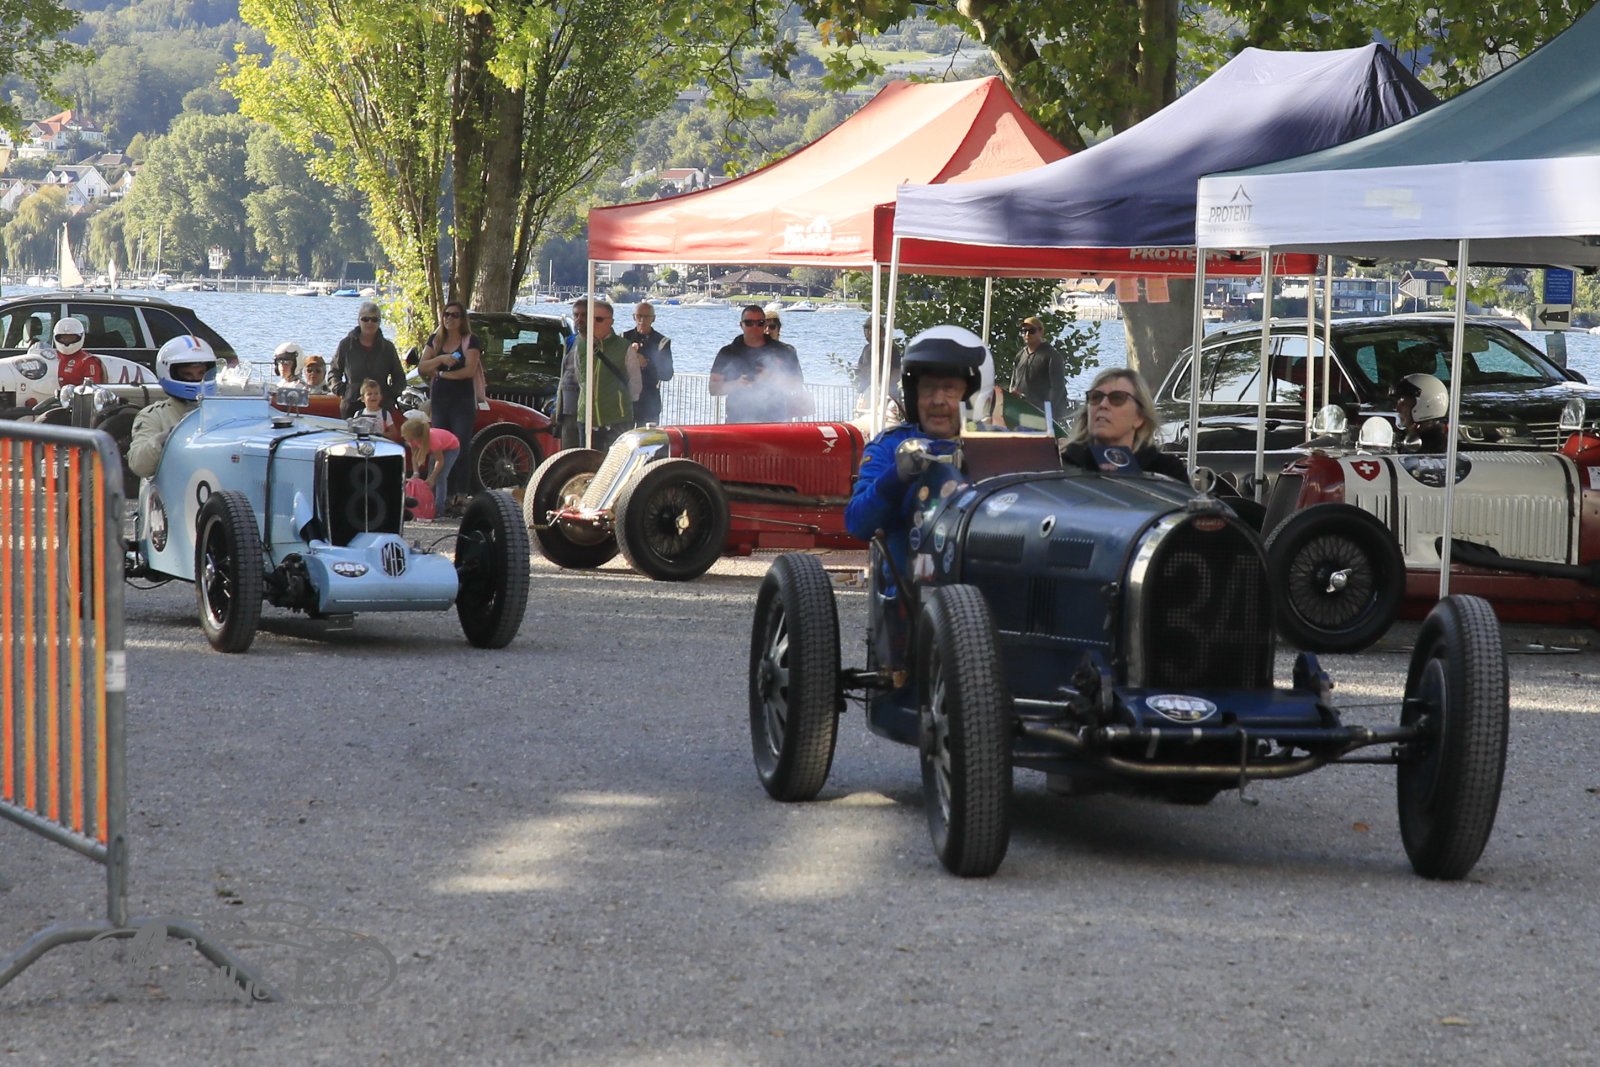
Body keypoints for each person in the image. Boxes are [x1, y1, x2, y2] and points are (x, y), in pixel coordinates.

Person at [847, 325, 985, 580]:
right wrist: (898, 475)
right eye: (928, 388)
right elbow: (858, 523)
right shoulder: (890, 446)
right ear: (914, 396)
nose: (938, 400)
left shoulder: (994, 442)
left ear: (968, 396)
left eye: (949, 388)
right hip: (909, 592)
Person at [1059, 367, 1187, 480]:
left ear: (1139, 418)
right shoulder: (1063, 466)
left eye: (1117, 398)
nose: (1103, 405)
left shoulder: (1168, 471)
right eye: (1096, 397)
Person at [416, 300, 482, 508]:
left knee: (459, 446)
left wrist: (442, 374)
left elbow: (469, 371)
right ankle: (438, 494)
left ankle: (460, 493)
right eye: (446, 314)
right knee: (438, 445)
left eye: (455, 315)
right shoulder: (435, 340)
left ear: (462, 319)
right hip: (440, 401)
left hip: (462, 401)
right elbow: (422, 367)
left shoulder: (470, 341)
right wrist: (441, 359)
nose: (449, 319)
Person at [127, 336, 217, 479]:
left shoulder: (220, 412)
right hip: (169, 487)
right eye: (188, 374)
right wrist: (169, 436)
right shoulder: (153, 415)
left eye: (201, 373)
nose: (196, 379)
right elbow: (139, 465)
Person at [561, 297, 639, 451]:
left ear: (611, 322)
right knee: (588, 460)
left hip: (617, 418)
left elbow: (635, 383)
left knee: (615, 461)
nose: (593, 323)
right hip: (586, 417)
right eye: (591, 319)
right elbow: (580, 377)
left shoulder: (624, 346)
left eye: (599, 319)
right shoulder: (581, 345)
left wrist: (620, 401)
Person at [709, 304, 807, 423]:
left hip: (775, 422)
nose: (754, 327)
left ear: (764, 324)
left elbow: (797, 383)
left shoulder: (784, 351)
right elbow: (713, 389)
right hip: (737, 422)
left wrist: (772, 377)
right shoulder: (728, 352)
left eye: (759, 323)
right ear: (741, 325)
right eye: (749, 323)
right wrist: (737, 383)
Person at [329, 301, 406, 418]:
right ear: (358, 320)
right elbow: (333, 373)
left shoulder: (387, 347)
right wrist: (344, 391)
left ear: (379, 322)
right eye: (365, 319)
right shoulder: (346, 345)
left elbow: (400, 378)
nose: (370, 323)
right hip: (351, 406)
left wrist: (389, 395)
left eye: (374, 319)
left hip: (382, 407)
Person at [1007, 315, 1068, 419]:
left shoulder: (1052, 356)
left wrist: (1045, 411)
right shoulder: (1020, 355)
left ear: (1041, 332)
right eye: (1024, 331)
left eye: (1031, 331)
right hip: (1020, 411)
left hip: (1041, 414)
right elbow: (1013, 383)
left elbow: (1057, 388)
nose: (1027, 334)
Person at [399, 415, 461, 519]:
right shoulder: (412, 440)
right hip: (437, 448)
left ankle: (439, 510)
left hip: (451, 447)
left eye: (405, 434)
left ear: (415, 436)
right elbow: (414, 456)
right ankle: (429, 506)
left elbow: (440, 461)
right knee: (430, 478)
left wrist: (433, 477)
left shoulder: (433, 441)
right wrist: (416, 473)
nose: (402, 436)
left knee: (440, 477)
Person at [622, 301, 673, 426]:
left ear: (653, 319)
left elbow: (667, 374)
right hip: (625, 401)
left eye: (646, 316)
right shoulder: (623, 338)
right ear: (634, 317)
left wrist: (646, 364)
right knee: (622, 435)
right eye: (639, 316)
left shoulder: (661, 342)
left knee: (648, 437)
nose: (642, 320)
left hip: (649, 402)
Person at [852, 317, 903, 409]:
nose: (869, 333)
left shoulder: (890, 350)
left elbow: (896, 374)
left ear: (882, 332)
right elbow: (860, 367)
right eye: (867, 330)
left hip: (886, 394)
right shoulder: (866, 349)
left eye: (872, 329)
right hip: (866, 392)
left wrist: (880, 379)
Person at [1394, 371, 1452, 452]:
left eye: (1404, 403)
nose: (1398, 408)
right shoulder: (1410, 437)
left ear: (1425, 404)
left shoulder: (1435, 448)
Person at [52, 317, 107, 387]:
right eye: (63, 337)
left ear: (81, 337)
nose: (67, 340)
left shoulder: (88, 361)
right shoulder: (50, 357)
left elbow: (91, 389)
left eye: (71, 338)